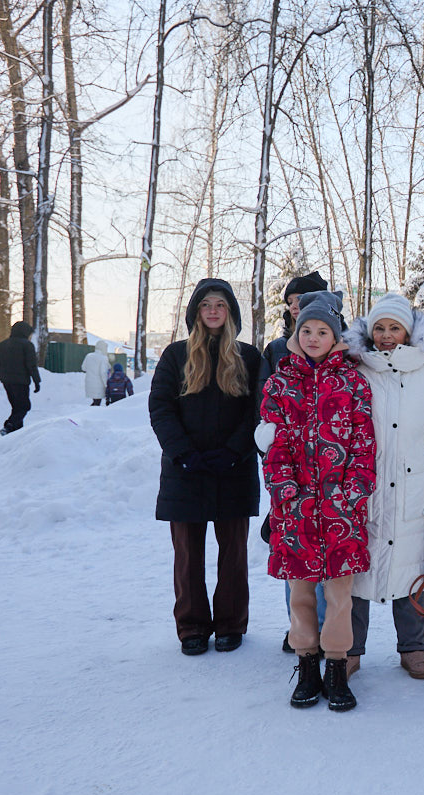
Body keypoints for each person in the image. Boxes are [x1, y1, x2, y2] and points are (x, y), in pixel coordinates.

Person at [260, 290, 375, 711]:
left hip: (341, 509)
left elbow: (364, 445)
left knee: (340, 595)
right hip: (296, 510)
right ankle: (307, 664)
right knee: (301, 593)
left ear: (335, 336)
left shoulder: (352, 382)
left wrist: (353, 492)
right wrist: (285, 492)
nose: (312, 337)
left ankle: (336, 667)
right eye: (305, 329)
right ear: (296, 332)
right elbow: (273, 444)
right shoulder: (280, 382)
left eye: (321, 331)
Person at [344, 293, 424, 680]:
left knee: (412, 572)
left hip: (414, 493)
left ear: (409, 332)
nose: (386, 335)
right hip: (365, 491)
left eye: (394, 327)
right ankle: (350, 649)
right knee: (357, 574)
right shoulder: (356, 372)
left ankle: (413, 648)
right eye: (379, 327)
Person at [149, 278, 262, 656]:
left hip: (233, 468)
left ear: (230, 312)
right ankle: (193, 626)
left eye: (220, 305)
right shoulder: (175, 355)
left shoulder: (248, 356)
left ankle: (231, 624)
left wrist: (235, 451)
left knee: (233, 555)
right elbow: (161, 407)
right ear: (195, 312)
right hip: (186, 470)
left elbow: (258, 412)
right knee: (187, 555)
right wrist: (182, 453)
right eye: (205, 305)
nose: (213, 311)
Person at [258, 270, 332, 653]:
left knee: (332, 556)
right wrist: (278, 473)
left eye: (303, 300)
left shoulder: (344, 351)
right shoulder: (278, 351)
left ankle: (329, 632)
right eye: (292, 303)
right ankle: (301, 629)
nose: (296, 308)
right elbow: (266, 420)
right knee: (296, 553)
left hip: (334, 479)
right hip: (291, 476)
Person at [0, 320, 40, 435]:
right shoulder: (27, 345)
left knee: (16, 407)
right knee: (24, 406)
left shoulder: (2, 344)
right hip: (21, 382)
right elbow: (31, 365)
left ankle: (16, 433)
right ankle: (9, 426)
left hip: (7, 382)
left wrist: (3, 377)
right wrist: (36, 381)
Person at [81, 340, 109, 406]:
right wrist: (106, 384)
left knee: (95, 402)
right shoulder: (103, 358)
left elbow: (83, 368)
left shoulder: (89, 356)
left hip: (89, 383)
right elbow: (103, 373)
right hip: (99, 385)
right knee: (97, 403)